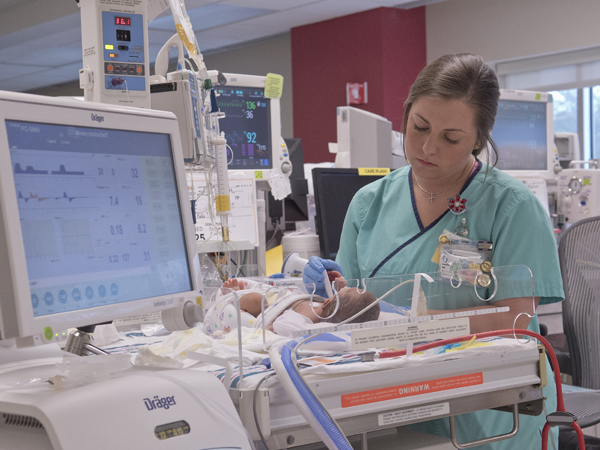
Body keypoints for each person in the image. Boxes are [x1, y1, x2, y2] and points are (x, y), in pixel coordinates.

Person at [304, 53, 564, 450]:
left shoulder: (511, 207)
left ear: (478, 138)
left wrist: (409, 322)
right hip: (389, 406)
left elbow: (515, 319)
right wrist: (321, 294)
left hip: (487, 415)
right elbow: (347, 309)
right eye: (418, 127)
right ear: (406, 114)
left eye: (451, 138)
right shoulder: (369, 203)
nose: (427, 147)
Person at [202, 277, 380, 338]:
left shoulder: (307, 316)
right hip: (284, 299)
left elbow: (279, 327)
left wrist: (269, 330)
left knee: (258, 301)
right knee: (265, 295)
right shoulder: (326, 309)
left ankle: (234, 297)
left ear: (327, 302)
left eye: (340, 292)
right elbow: (343, 307)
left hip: (271, 311)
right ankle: (241, 295)